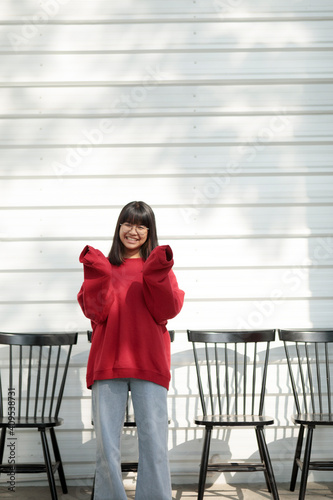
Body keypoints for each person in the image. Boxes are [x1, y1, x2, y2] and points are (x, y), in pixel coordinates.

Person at [77, 201, 185, 500]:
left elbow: (168, 310)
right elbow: (94, 312)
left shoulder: (158, 269)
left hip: (149, 364)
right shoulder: (104, 268)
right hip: (107, 363)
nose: (133, 231)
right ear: (119, 227)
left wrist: (157, 276)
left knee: (154, 444)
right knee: (106, 446)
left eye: (140, 225)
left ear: (149, 231)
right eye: (128, 223)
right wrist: (99, 275)